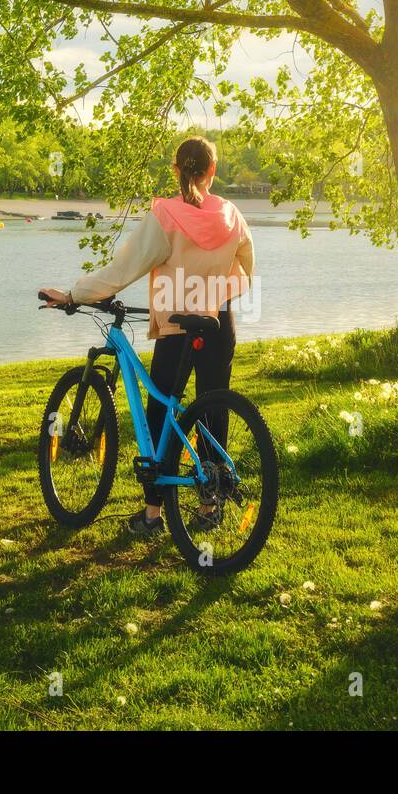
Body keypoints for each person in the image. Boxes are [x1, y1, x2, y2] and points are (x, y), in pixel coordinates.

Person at [38, 136, 255, 537]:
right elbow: (245, 268)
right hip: (218, 324)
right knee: (211, 408)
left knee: (162, 411)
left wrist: (73, 295)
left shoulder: (166, 215)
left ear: (176, 170)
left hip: (176, 327)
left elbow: (122, 271)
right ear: (212, 172)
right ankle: (210, 505)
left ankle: (153, 515)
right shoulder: (231, 214)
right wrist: (213, 294)